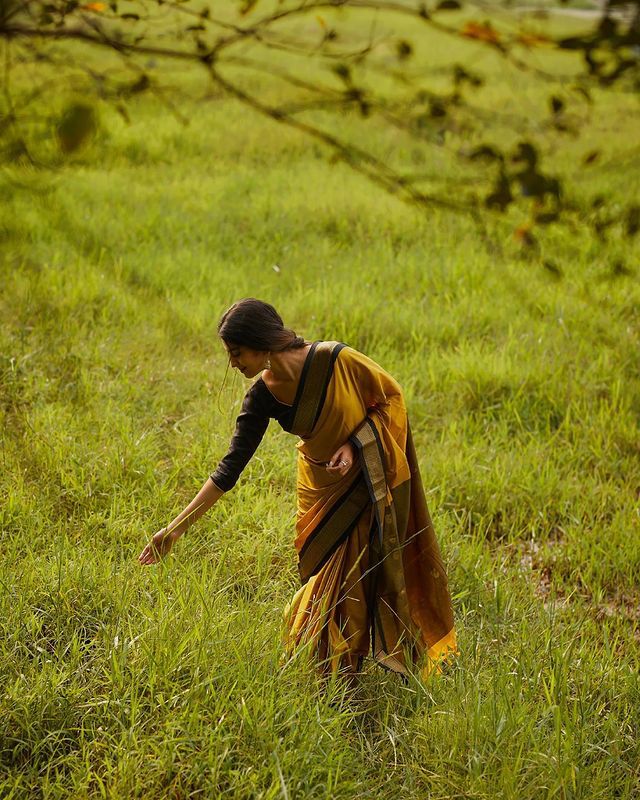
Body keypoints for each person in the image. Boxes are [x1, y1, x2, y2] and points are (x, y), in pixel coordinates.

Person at [138, 298, 456, 680]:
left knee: (362, 573)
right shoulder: (261, 397)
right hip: (321, 491)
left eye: (237, 353)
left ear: (261, 342)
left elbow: (391, 398)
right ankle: (334, 677)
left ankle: (373, 666)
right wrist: (173, 531)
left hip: (364, 482)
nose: (233, 363)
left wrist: (356, 445)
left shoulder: (337, 360)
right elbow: (229, 469)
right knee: (325, 581)